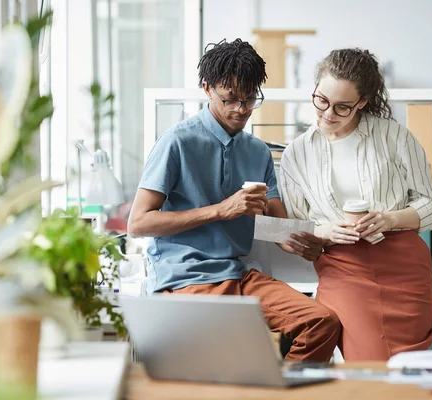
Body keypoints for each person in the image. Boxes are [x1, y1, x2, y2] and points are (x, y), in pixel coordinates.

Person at [128, 38, 341, 361]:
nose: (241, 109)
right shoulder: (177, 142)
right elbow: (139, 223)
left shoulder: (257, 151)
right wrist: (221, 210)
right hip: (186, 278)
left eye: (249, 99)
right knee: (233, 354)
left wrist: (299, 243)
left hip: (238, 276)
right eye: (230, 99)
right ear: (207, 89)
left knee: (321, 323)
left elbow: (277, 226)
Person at [278, 48, 432, 361]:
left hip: (404, 267)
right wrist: (325, 230)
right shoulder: (296, 154)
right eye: (321, 100)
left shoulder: (394, 137)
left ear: (362, 102)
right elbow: (298, 228)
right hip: (342, 268)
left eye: (342, 107)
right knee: (369, 363)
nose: (328, 114)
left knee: (407, 368)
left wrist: (390, 219)